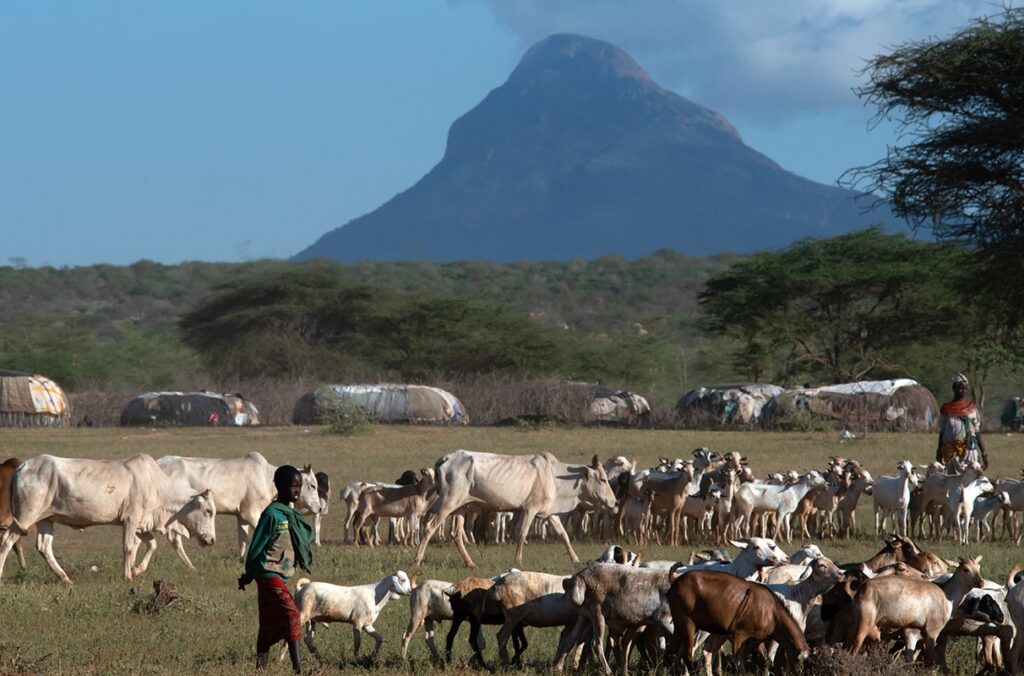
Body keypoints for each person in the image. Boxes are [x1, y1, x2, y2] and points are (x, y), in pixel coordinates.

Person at [238, 465, 314, 673]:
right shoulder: (271, 515)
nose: (297, 490)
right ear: (280, 487)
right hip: (268, 574)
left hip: (281, 575)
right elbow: (256, 547)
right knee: (293, 615)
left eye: (299, 486)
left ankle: (259, 669)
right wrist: (248, 575)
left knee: (268, 624)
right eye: (293, 486)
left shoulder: (290, 514)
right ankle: (298, 669)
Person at [936, 373, 988, 471]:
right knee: (951, 480)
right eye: (960, 388)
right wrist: (939, 451)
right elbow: (942, 432)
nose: (963, 391)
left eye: (965, 389)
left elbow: (977, 432)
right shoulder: (946, 409)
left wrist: (984, 453)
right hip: (950, 451)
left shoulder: (971, 408)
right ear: (954, 389)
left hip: (969, 450)